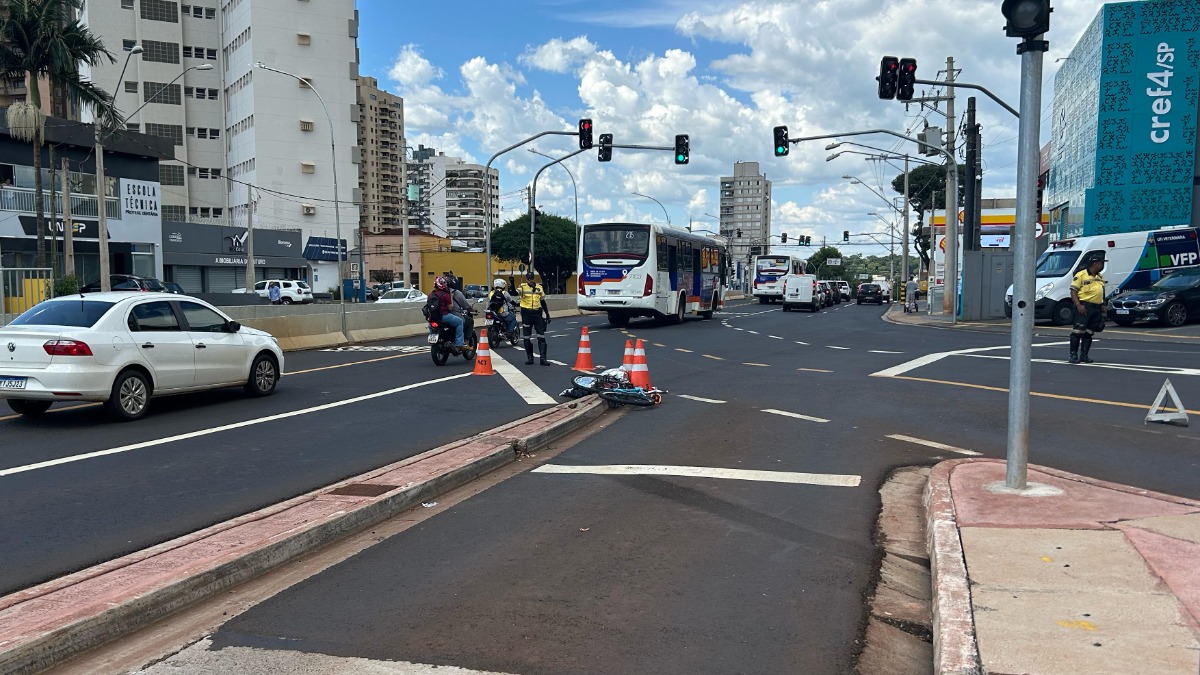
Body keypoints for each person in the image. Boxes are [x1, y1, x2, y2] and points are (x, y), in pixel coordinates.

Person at [1069, 256, 1106, 364]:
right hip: (1085, 306)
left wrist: (1103, 304)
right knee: (1077, 331)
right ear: (1095, 264)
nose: (1102, 266)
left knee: (1089, 332)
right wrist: (1078, 305)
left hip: (1096, 307)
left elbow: (1101, 290)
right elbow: (1073, 291)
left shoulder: (1100, 276)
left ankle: (1084, 355)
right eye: (1100, 263)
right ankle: (1073, 355)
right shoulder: (1081, 275)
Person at [516, 269, 552, 365]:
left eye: (532, 278)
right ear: (526, 279)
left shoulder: (539, 288)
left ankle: (543, 359)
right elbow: (515, 292)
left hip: (537, 314)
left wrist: (547, 315)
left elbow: (543, 302)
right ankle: (530, 358)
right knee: (526, 337)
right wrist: (511, 283)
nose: (530, 280)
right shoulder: (522, 287)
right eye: (529, 279)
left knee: (541, 336)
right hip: (527, 314)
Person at [428, 276, 466, 351]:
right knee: (459, 322)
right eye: (444, 283)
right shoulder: (445, 295)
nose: (446, 284)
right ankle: (459, 343)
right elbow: (450, 308)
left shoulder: (430, 295)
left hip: (432, 317)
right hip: (444, 316)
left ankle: (431, 336)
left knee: (430, 326)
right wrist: (451, 297)